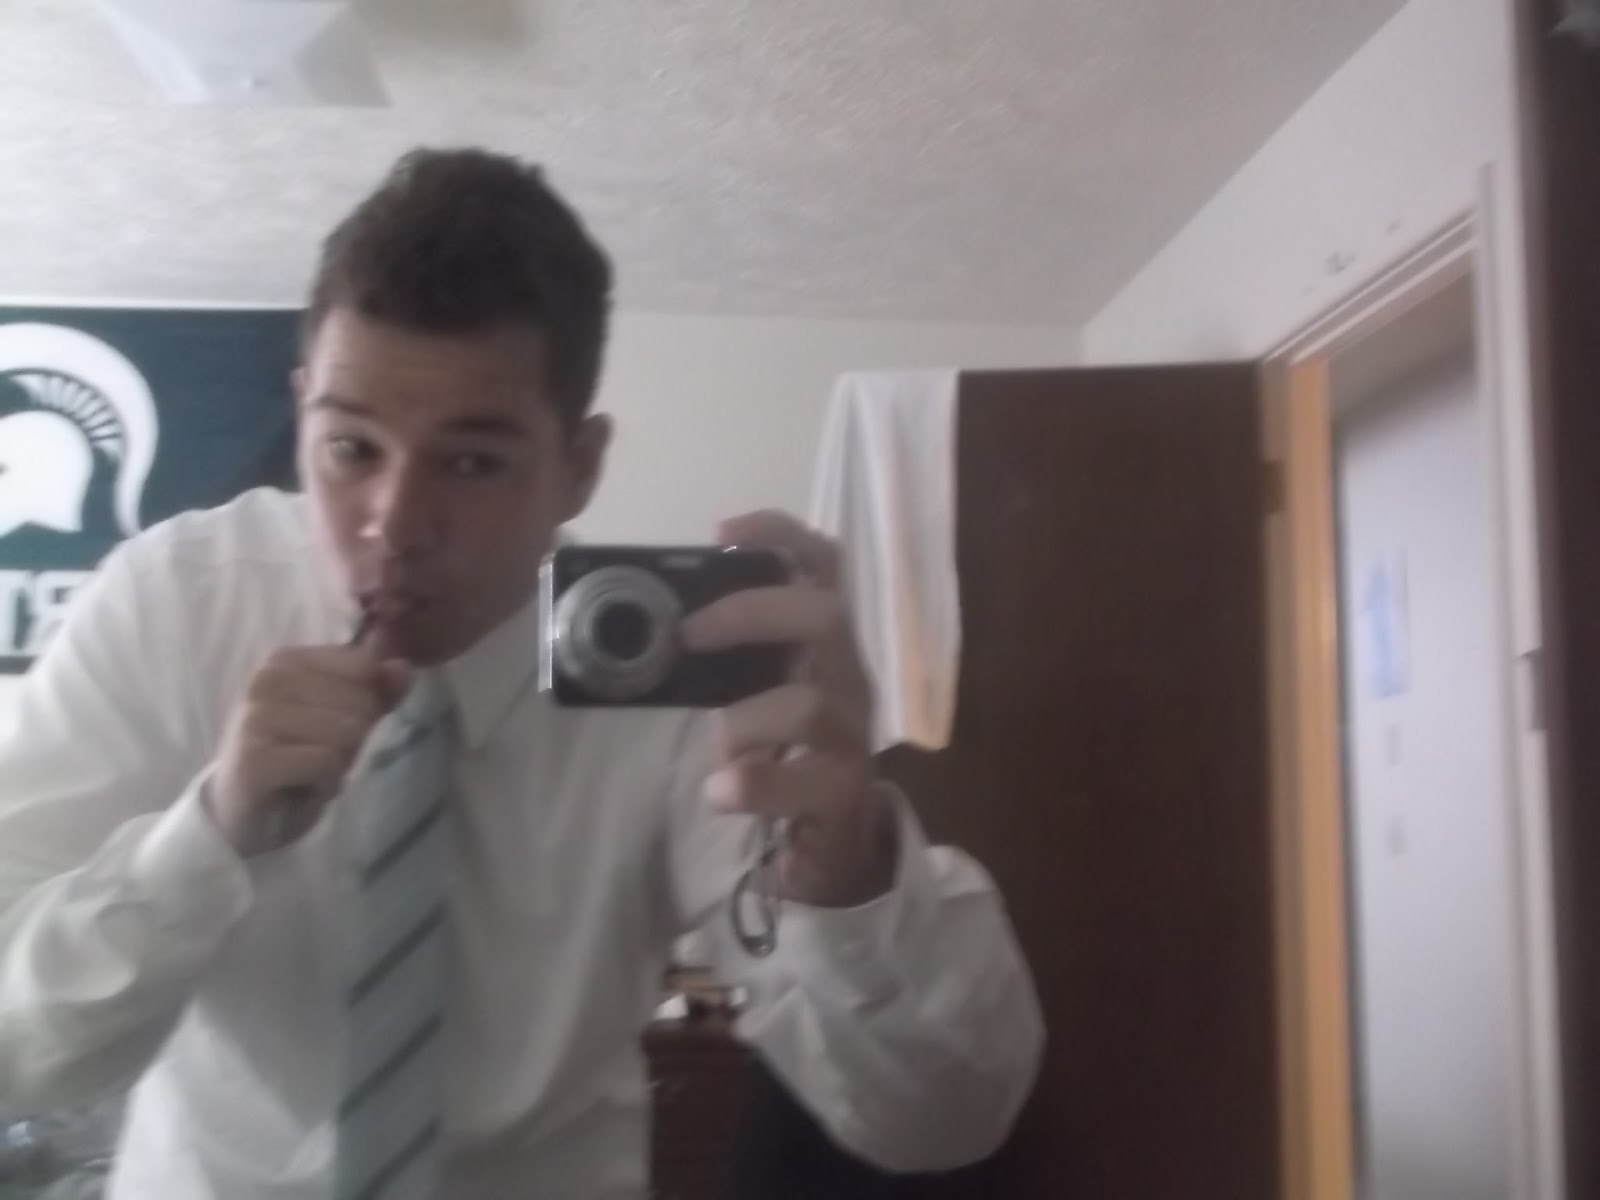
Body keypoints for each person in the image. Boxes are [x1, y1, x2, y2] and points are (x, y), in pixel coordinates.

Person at [0, 147, 1044, 1200]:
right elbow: (13, 1058)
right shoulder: (174, 607)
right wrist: (207, 839)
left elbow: (943, 1124)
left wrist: (851, 874)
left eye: (472, 462)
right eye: (352, 448)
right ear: (303, 406)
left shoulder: (678, 678)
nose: (396, 526)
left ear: (577, 468)